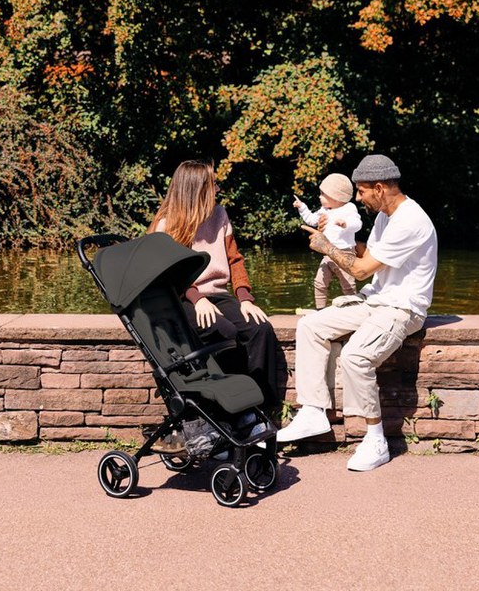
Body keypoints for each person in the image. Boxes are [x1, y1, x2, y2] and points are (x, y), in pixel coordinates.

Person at [276, 154, 438, 472]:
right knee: (311, 326)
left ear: (379, 188)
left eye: (362, 191)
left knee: (355, 356)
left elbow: (362, 270)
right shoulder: (385, 217)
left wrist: (327, 248)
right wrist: (341, 239)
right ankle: (313, 412)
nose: (359, 198)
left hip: (402, 308)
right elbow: (366, 255)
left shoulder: (410, 220)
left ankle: (376, 439)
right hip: (375, 300)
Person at [149, 160, 281, 414]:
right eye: (213, 184)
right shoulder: (167, 225)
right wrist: (197, 298)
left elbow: (235, 259)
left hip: (218, 294)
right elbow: (172, 274)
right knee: (225, 331)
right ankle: (234, 407)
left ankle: (263, 410)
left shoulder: (219, 215)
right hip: (183, 298)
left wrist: (244, 298)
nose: (218, 189)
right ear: (196, 189)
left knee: (260, 328)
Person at [293, 173, 362, 309]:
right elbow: (311, 220)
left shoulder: (349, 208)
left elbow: (357, 224)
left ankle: (354, 308)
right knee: (319, 283)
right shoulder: (324, 210)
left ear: (336, 196)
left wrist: (346, 224)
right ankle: (320, 309)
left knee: (348, 284)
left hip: (345, 253)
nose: (319, 197)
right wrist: (302, 207)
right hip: (327, 254)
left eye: (323, 194)